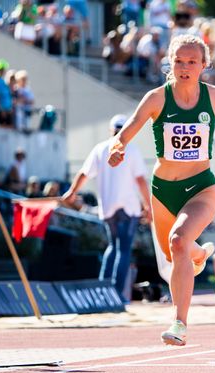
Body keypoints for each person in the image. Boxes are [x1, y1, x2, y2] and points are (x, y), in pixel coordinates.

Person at [107, 34, 215, 345]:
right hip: (163, 191)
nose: (185, 67)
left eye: (192, 62)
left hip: (201, 188)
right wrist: (118, 148)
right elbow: (129, 128)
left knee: (178, 239)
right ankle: (200, 254)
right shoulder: (157, 98)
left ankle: (179, 323)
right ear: (170, 63)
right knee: (179, 251)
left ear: (204, 65)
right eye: (179, 61)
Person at [62, 114, 151, 303]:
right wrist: (148, 205)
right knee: (124, 249)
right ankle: (117, 295)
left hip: (108, 207)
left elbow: (84, 173)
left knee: (112, 247)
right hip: (128, 207)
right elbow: (141, 180)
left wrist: (71, 192)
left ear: (111, 130)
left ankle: (102, 292)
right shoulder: (131, 149)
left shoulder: (100, 149)